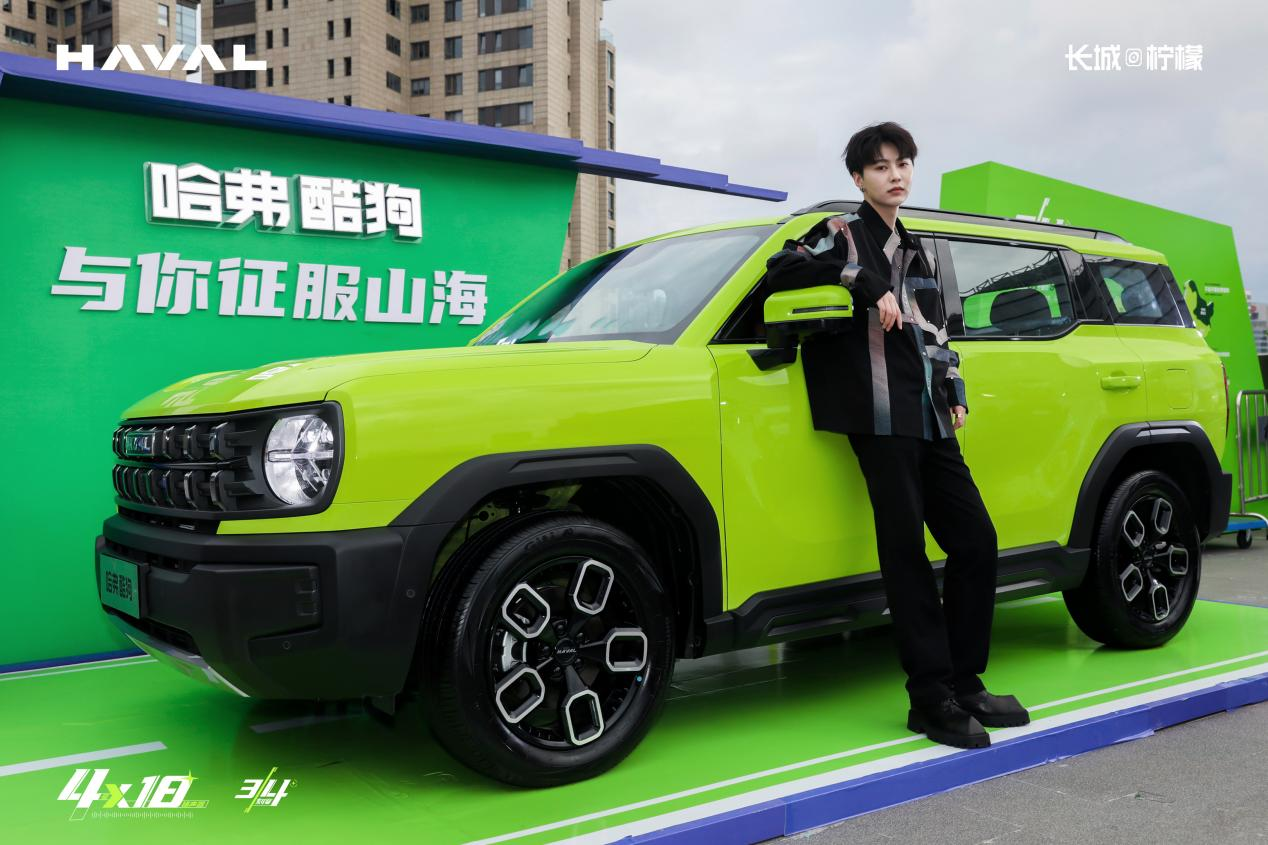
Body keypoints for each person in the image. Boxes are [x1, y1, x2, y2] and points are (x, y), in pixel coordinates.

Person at [764, 121, 1029, 749]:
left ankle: (966, 682)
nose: (895, 175)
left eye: (903, 163)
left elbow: (938, 331)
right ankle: (930, 699)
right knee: (906, 553)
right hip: (879, 416)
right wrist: (862, 280)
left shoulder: (920, 248)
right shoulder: (839, 232)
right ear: (859, 178)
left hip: (929, 414)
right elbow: (781, 268)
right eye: (881, 166)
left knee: (976, 541)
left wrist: (954, 388)